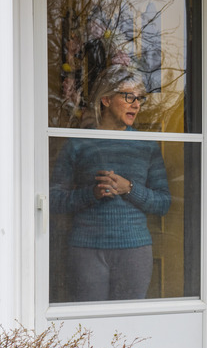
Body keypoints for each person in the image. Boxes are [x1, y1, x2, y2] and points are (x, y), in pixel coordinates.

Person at [50, 64, 171, 301]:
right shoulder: (79, 142)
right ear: (106, 99)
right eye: (128, 97)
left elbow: (164, 203)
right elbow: (52, 200)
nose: (136, 105)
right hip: (86, 249)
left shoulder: (146, 145)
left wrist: (131, 189)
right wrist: (91, 194)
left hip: (134, 250)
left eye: (139, 99)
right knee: (88, 327)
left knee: (130, 328)